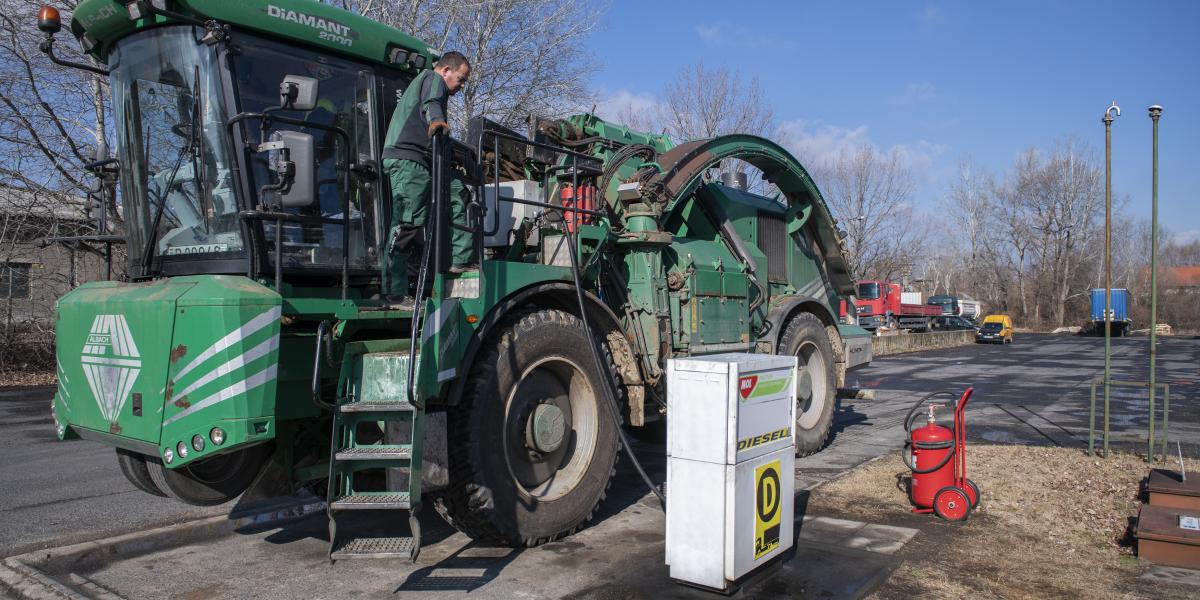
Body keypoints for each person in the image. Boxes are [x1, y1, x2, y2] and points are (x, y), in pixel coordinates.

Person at [381, 51, 472, 308]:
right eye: (461, 79)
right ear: (446, 71)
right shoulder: (432, 78)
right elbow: (432, 103)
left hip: (425, 161)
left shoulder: (430, 85)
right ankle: (394, 293)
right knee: (407, 223)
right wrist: (437, 121)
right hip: (409, 161)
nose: (462, 86)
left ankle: (459, 260)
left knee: (459, 193)